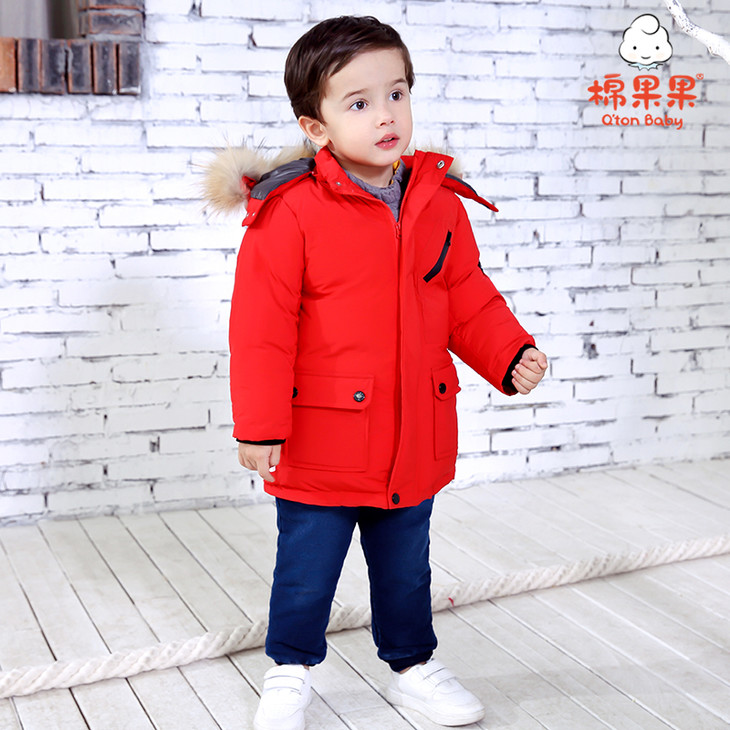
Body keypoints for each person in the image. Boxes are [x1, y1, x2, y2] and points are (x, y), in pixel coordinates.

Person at [203, 15, 548, 730]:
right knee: (307, 568)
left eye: (397, 93)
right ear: (317, 126)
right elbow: (262, 327)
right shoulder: (290, 211)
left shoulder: (438, 203)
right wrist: (260, 426)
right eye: (358, 102)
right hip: (320, 438)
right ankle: (289, 671)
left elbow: (466, 295)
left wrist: (507, 352)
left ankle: (414, 667)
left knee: (406, 566)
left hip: (412, 429)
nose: (386, 114)